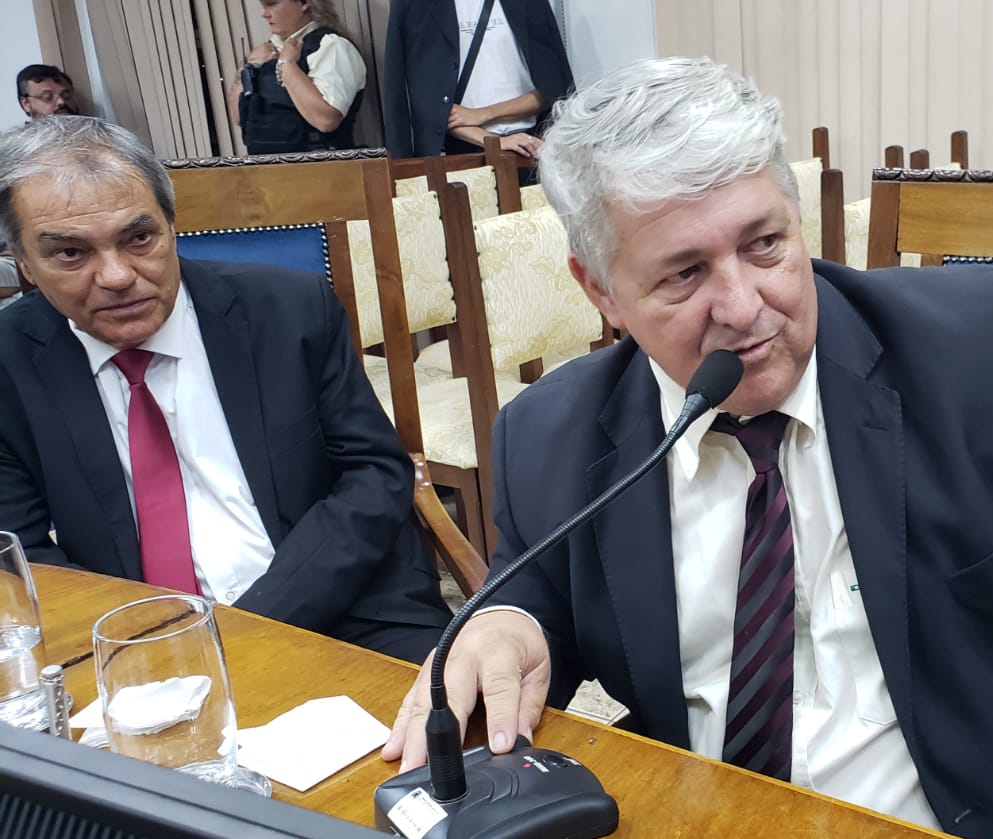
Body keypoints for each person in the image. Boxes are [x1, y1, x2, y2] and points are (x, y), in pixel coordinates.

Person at [384, 58, 993, 839]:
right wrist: (509, 621)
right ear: (600, 290)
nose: (743, 307)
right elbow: (540, 590)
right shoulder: (552, 434)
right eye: (684, 274)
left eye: (765, 244)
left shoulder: (986, 350)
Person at [0, 116, 451, 663]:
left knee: (459, 715)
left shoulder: (288, 310)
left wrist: (243, 629)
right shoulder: (9, 361)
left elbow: (375, 473)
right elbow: (19, 552)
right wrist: (146, 642)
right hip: (128, 641)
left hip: (342, 610)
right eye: (71, 253)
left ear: (171, 225)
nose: (117, 275)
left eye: (139, 238)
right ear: (24, 263)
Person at [382, 0, 573, 162]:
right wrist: (492, 141)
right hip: (459, 153)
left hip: (530, 146)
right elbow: (424, 103)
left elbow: (553, 89)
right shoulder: (416, 5)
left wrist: (483, 114)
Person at [228, 0, 367, 154]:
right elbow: (238, 117)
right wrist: (248, 66)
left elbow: (326, 120)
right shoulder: (266, 52)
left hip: (322, 165)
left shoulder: (331, 46)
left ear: (304, 3)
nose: (265, 14)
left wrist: (288, 65)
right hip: (265, 165)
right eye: (263, 6)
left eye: (272, 4)